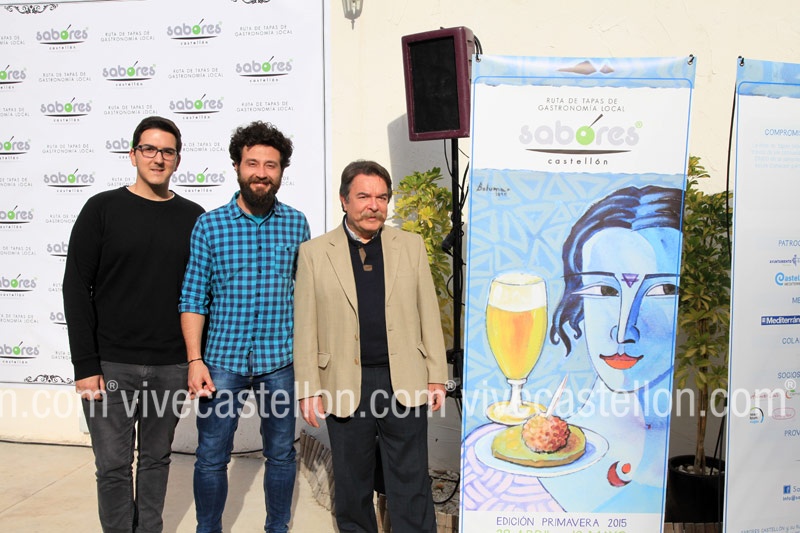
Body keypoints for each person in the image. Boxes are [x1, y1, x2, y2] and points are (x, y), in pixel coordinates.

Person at [63, 115, 204, 532]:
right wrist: (85, 365)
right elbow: (76, 287)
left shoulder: (194, 217)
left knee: (157, 461)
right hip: (110, 365)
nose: (158, 158)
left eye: (167, 152)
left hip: (170, 366)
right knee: (112, 466)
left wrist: (195, 360)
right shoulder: (102, 209)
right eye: (149, 149)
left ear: (178, 160)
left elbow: (201, 295)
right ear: (133, 154)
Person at [294, 159, 448, 533]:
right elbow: (306, 327)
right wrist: (308, 388)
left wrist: (437, 375)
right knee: (352, 483)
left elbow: (428, 312)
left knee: (411, 479)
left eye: (381, 197)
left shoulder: (410, 246)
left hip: (404, 379)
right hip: (345, 382)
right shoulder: (314, 252)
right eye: (364, 196)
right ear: (344, 200)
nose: (374, 206)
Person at [179, 121, 310, 533]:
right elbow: (193, 297)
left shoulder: (297, 224)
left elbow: (305, 296)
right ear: (237, 166)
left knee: (282, 455)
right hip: (222, 361)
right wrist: (195, 360)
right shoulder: (209, 226)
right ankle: (208, 529)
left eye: (271, 165)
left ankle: (277, 528)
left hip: (279, 361)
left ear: (282, 171)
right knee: (211, 456)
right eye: (252, 163)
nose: (261, 173)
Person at [541, 185, 683, 512]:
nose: (624, 330)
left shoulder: (667, 470)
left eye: (662, 289)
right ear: (576, 302)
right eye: (605, 289)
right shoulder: (520, 465)